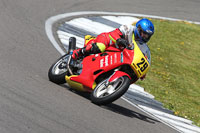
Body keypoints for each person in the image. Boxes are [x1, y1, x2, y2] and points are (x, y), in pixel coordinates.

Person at [71, 18, 154, 79]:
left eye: (146, 35)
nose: (144, 36)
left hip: (118, 55)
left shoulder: (144, 48)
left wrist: (143, 72)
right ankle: (79, 52)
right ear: (137, 28)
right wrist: (119, 40)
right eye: (142, 33)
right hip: (109, 41)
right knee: (100, 47)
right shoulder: (129, 29)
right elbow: (113, 34)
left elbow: (143, 60)